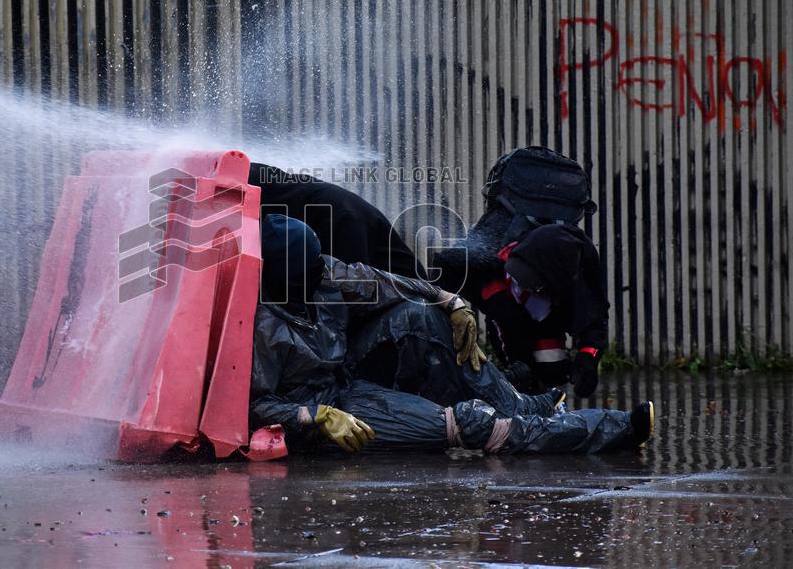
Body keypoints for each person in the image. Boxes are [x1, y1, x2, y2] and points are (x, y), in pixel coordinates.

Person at [250, 215, 654, 454]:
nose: (324, 273)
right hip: (326, 415)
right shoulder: (261, 326)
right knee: (473, 424)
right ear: (286, 277)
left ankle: (517, 403)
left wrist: (451, 302)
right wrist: (312, 416)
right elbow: (255, 406)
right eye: (312, 270)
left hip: (348, 385)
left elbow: (391, 284)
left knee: (421, 315)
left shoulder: (324, 275)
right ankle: (610, 428)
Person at [434, 222, 608, 398]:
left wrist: (588, 358)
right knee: (522, 373)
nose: (522, 286)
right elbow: (442, 270)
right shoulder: (489, 266)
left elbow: (595, 322)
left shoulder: (578, 284)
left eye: (531, 284)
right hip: (507, 312)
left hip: (547, 317)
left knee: (554, 370)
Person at [248, 162, 427, 279]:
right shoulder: (250, 178)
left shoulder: (338, 218)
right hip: (334, 212)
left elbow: (354, 290)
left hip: (339, 217)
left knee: (351, 286)